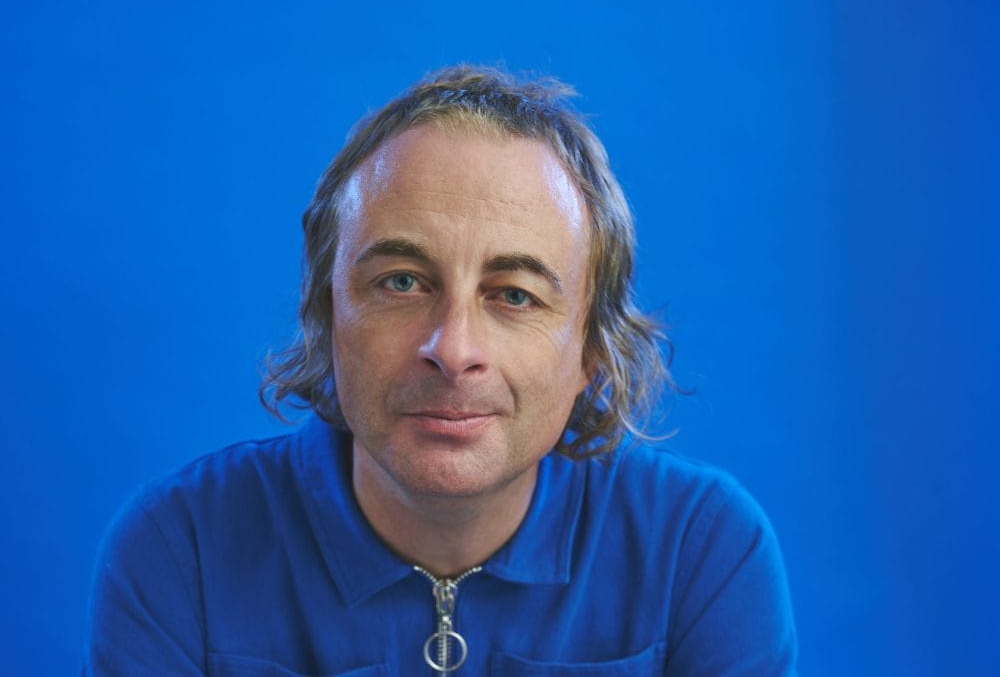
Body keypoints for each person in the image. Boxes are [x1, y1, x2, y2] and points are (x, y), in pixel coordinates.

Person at [84, 65, 798, 675]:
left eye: (514, 295)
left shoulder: (698, 551)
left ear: (590, 347)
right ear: (326, 308)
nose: (453, 349)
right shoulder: (181, 553)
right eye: (401, 282)